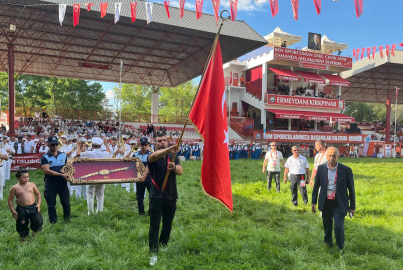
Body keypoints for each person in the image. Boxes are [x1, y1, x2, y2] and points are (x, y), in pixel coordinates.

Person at [147, 132, 183, 266]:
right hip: (156, 196)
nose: (162, 142)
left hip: (171, 195)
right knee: (154, 225)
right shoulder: (153, 157)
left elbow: (181, 171)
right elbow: (152, 157)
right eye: (159, 141)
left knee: (168, 223)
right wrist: (169, 149)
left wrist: (174, 167)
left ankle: (163, 244)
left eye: (164, 140)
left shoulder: (173, 157)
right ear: (155, 144)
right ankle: (153, 252)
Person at [311, 147, 356, 252]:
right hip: (325, 202)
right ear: (326, 156)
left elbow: (351, 189)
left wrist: (352, 207)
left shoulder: (346, 170)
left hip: (339, 202)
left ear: (338, 156)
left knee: (338, 226)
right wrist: (313, 201)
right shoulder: (321, 168)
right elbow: (316, 186)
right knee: (327, 224)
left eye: (334, 156)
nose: (332, 158)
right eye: (330, 155)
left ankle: (340, 248)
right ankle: (328, 243)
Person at [76, 137, 111, 215]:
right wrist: (106, 144)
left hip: (91, 177)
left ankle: (90, 213)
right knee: (100, 196)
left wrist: (78, 146)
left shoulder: (89, 153)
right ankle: (99, 212)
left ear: (92, 144)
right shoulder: (104, 153)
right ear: (101, 145)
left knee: (90, 196)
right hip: (102, 177)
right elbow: (109, 152)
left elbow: (78, 154)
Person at [41, 136, 70, 224]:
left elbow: (67, 167)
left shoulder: (63, 155)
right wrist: (61, 174)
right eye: (52, 144)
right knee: (51, 204)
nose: (55, 146)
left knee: (66, 203)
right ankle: (53, 222)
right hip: (51, 183)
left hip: (62, 183)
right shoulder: (45, 157)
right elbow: (47, 171)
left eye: (56, 144)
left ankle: (67, 219)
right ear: (48, 145)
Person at [7, 169, 43, 242]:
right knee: (22, 223)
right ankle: (24, 238)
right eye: (24, 177)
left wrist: (39, 204)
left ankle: (34, 232)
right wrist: (12, 210)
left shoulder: (32, 185)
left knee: (38, 221)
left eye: (27, 176)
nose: (26, 178)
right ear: (18, 178)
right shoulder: (14, 188)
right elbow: (10, 200)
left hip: (33, 207)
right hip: (21, 209)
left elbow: (38, 194)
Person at [132, 137, 152, 215]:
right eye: (142, 144)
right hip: (139, 178)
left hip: (150, 178)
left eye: (145, 144)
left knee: (151, 196)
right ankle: (141, 212)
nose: (143, 146)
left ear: (147, 145)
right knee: (139, 196)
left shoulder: (151, 154)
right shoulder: (136, 154)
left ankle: (150, 212)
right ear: (140, 145)